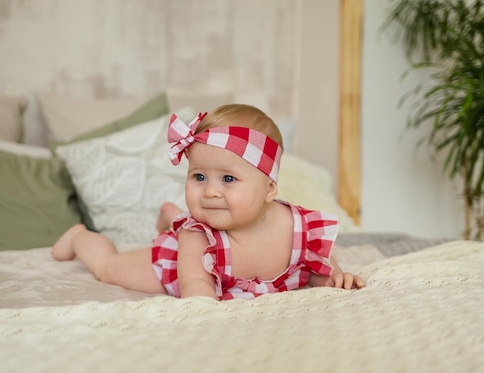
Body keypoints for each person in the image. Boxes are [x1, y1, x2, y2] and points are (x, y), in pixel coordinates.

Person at [52, 104, 365, 300]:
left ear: (270, 189)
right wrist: (207, 315)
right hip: (172, 268)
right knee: (109, 268)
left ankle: (170, 216)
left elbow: (313, 267)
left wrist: (333, 277)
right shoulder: (196, 236)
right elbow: (196, 286)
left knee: (181, 220)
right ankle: (80, 236)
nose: (210, 192)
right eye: (199, 177)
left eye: (228, 179)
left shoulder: (297, 227)